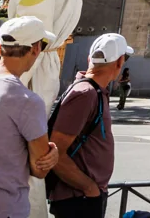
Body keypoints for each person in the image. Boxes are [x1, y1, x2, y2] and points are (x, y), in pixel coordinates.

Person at [48, 32, 134, 218]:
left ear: (89, 59)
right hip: (78, 198)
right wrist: (89, 188)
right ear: (119, 63)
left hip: (83, 196)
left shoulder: (92, 90)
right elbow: (55, 152)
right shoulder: (85, 93)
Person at [0, 16, 60, 218]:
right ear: (36, 50)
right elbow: (40, 169)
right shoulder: (27, 101)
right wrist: (53, 152)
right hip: (6, 208)